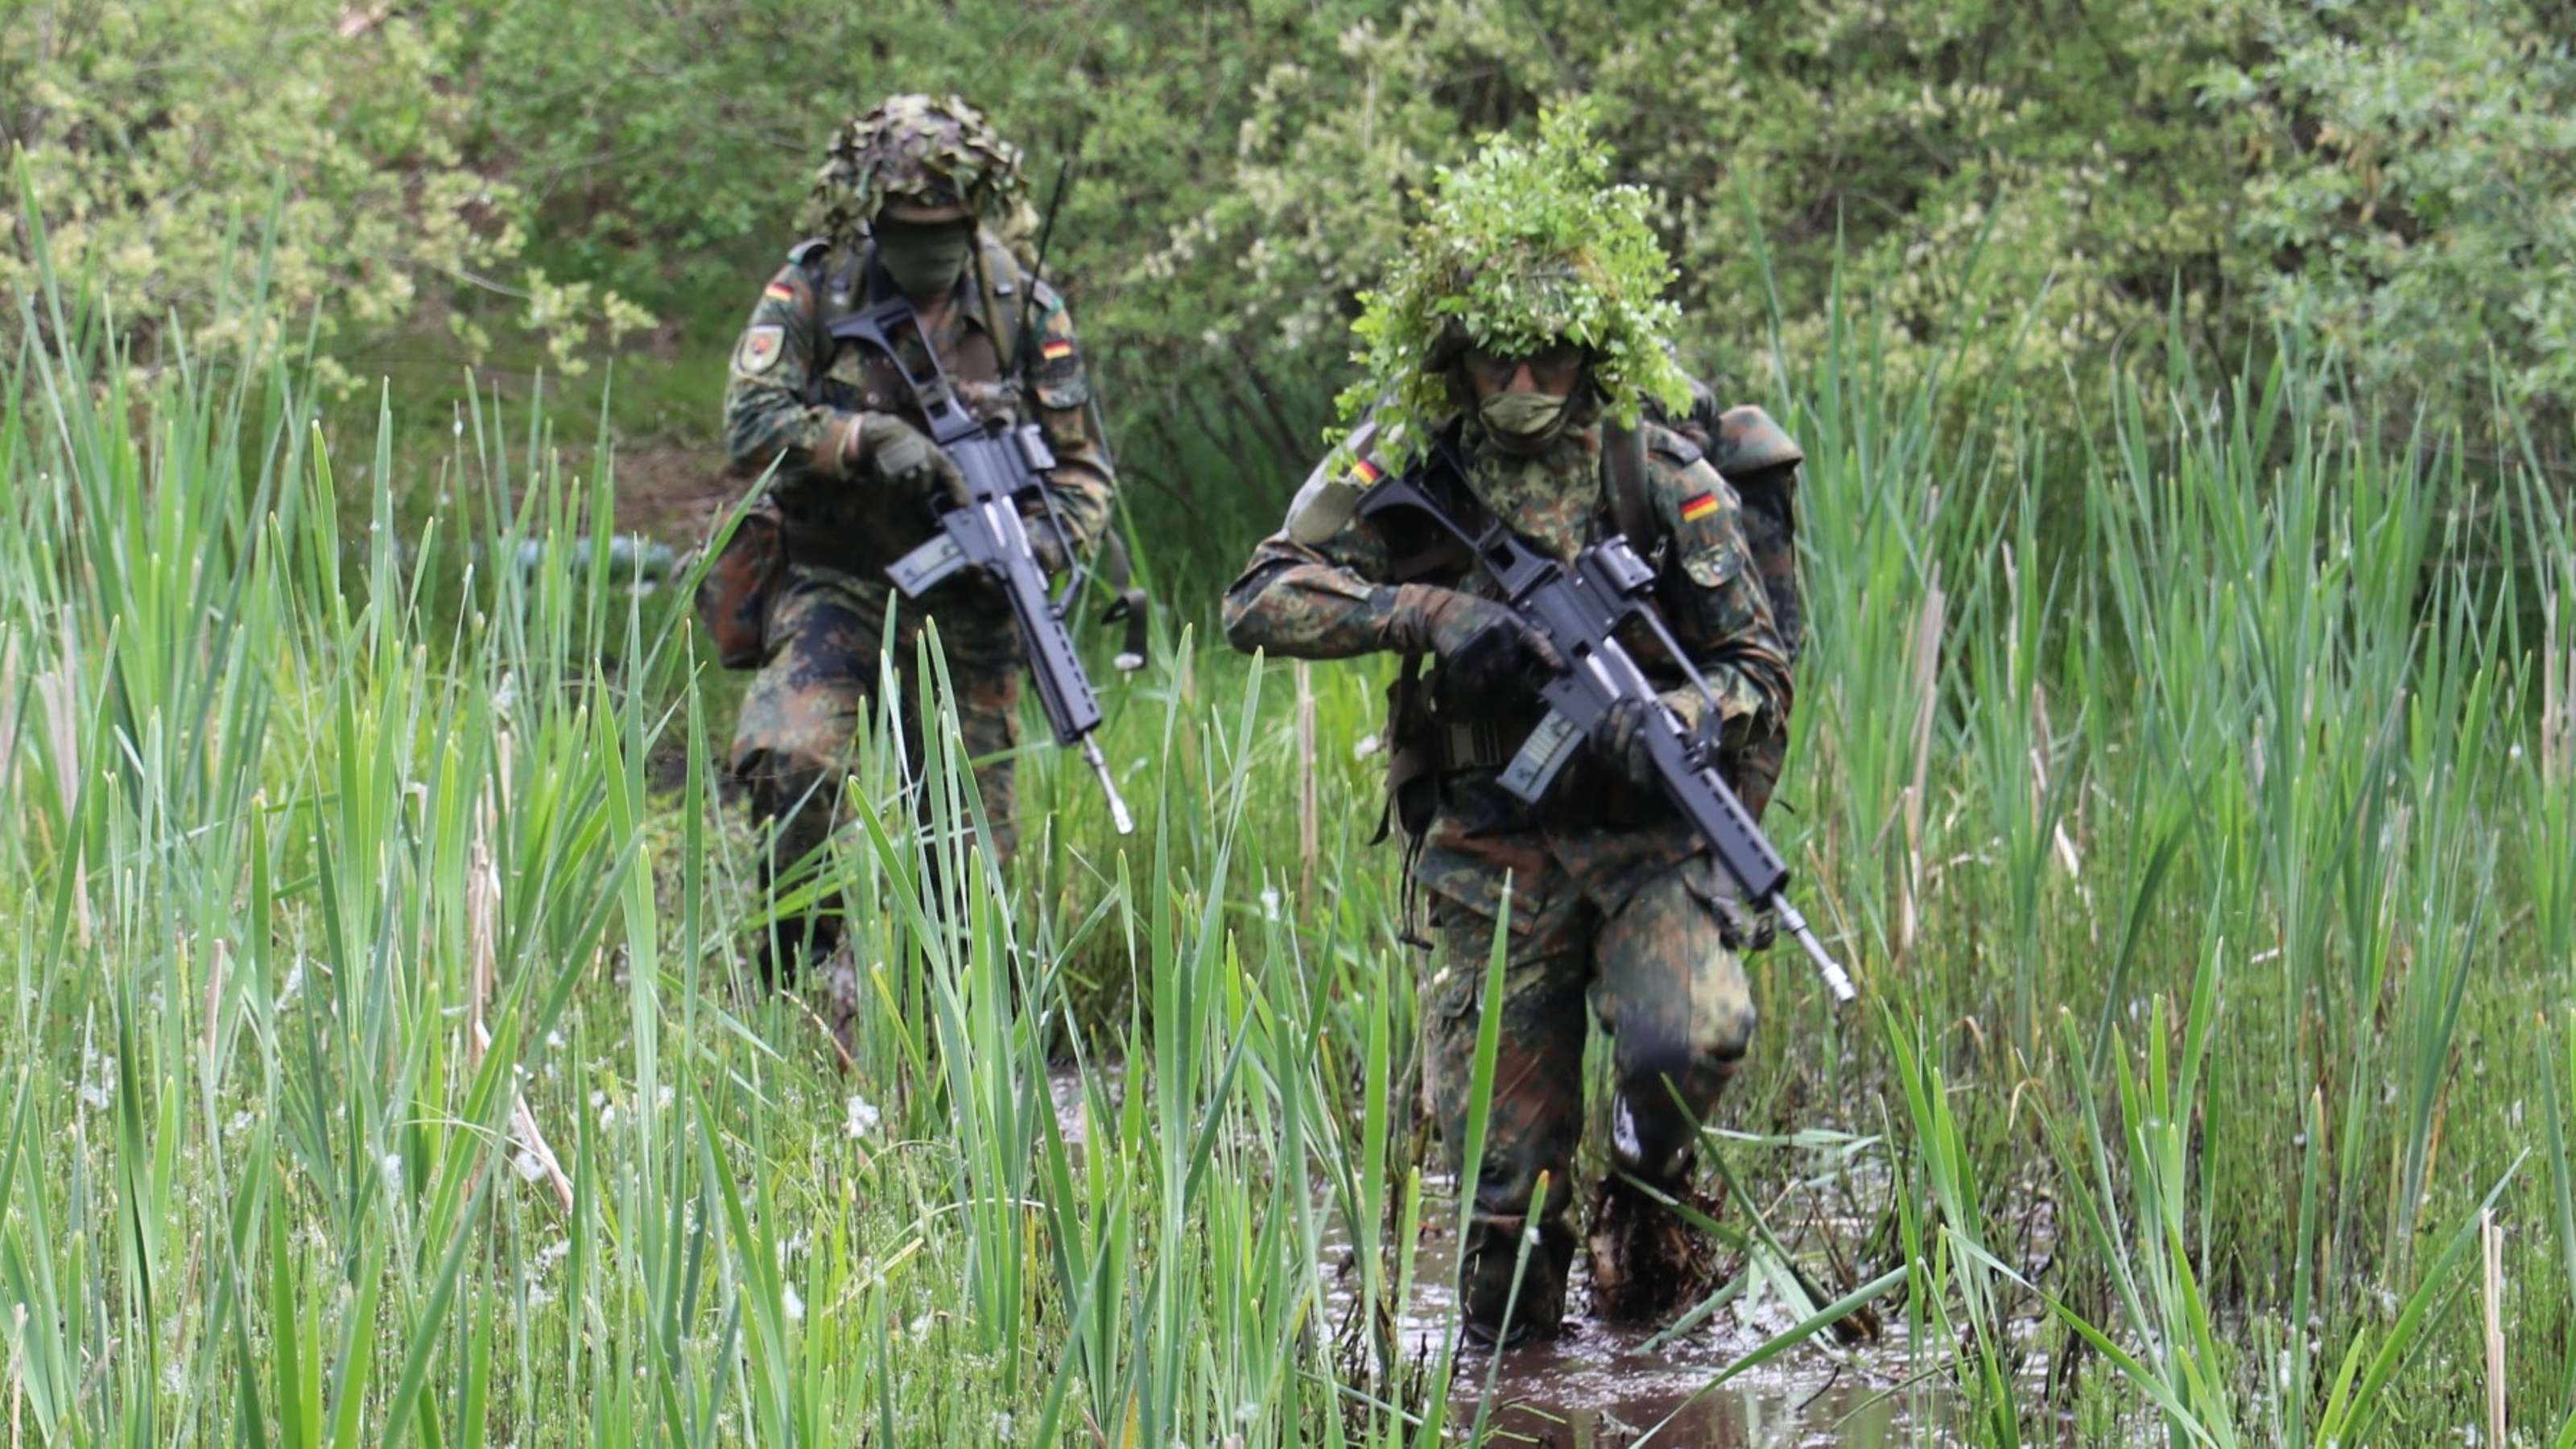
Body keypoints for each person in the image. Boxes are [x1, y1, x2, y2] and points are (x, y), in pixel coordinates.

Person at [1222, 107, 1796, 1345]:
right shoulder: (1404, 463)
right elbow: (1258, 600)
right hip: (1489, 852)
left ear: (1592, 355)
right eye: (1497, 362)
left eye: (1549, 361)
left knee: (1694, 1032)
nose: (1524, 387)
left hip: (1648, 836)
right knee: (1504, 1218)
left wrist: (1683, 715)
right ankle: (1521, 1394)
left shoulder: (1662, 471)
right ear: (1457, 363)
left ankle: (1646, 1199)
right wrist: (1423, 614)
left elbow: (1759, 660)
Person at [718, 93, 1113, 980]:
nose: (927, 246)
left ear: (977, 216)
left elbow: (1083, 471)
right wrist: (856, 439)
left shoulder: (1022, 309)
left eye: (946, 226)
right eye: (907, 226)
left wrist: (1034, 543)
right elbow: (747, 419)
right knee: (792, 758)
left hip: (971, 603)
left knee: (968, 854)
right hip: (840, 582)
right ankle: (802, 973)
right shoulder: (819, 286)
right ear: (871, 215)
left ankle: (960, 1044)